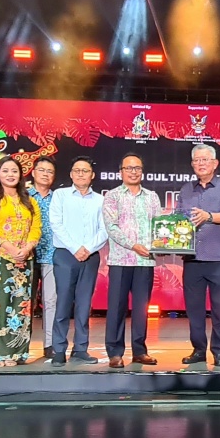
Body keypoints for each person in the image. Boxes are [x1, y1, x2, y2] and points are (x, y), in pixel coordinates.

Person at [177, 144, 220, 367]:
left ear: (215, 163)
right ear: (192, 164)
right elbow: (179, 220)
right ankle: (199, 350)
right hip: (192, 259)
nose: (200, 164)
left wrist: (208, 216)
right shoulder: (186, 189)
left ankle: (219, 352)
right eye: (197, 160)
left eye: (205, 160)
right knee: (194, 311)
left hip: (219, 259)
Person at [102, 153, 162, 368]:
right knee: (116, 308)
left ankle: (139, 350)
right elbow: (111, 227)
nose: (133, 172)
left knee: (141, 309)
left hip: (145, 261)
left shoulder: (152, 197)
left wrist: (162, 244)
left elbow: (159, 225)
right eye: (129, 168)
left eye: (137, 168)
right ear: (121, 172)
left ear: (142, 171)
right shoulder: (112, 196)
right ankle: (114, 352)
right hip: (121, 260)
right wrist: (134, 245)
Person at [0, 156, 41, 366]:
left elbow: (36, 227)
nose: (10, 174)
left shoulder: (29, 200)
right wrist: (11, 249)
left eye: (14, 171)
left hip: (25, 259)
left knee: (21, 306)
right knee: (0, 305)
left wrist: (26, 248)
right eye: (5, 171)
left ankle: (18, 352)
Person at [50, 155, 107, 367]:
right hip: (65, 254)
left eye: (85, 171)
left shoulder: (100, 200)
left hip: (90, 256)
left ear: (92, 175)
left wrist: (88, 249)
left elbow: (104, 229)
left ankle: (80, 348)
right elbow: (56, 224)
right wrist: (75, 248)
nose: (81, 174)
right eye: (77, 170)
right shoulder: (60, 195)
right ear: (71, 174)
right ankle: (58, 349)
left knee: (84, 304)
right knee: (63, 303)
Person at [28, 157, 57, 358]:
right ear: (33, 172)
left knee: (51, 302)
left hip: (51, 255)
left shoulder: (59, 199)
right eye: (42, 170)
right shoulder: (23, 197)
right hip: (25, 257)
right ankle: (20, 345)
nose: (45, 174)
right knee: (24, 303)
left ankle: (50, 345)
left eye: (50, 171)